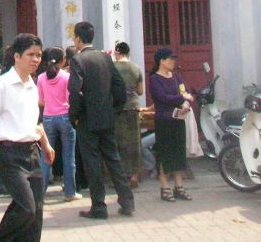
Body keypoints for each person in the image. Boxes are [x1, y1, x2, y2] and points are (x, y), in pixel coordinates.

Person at [0, 33, 54, 242]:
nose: (36, 60)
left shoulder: (32, 85)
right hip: (9, 154)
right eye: (30, 54)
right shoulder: (0, 85)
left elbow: (35, 122)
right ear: (17, 56)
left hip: (32, 153)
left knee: (36, 212)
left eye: (38, 55)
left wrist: (45, 145)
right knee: (26, 208)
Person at [68, 22, 135, 219]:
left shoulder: (78, 60)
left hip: (87, 120)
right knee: (114, 159)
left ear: (78, 39)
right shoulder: (106, 58)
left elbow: (75, 91)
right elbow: (119, 86)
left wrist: (75, 116)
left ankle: (99, 207)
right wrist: (115, 110)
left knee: (92, 164)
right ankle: (127, 202)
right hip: (106, 118)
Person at [149, 47, 194, 202]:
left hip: (178, 120)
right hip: (164, 120)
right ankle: (165, 187)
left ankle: (179, 186)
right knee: (164, 153)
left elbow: (186, 92)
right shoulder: (155, 79)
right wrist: (181, 98)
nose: (173, 62)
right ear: (161, 61)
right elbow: (162, 97)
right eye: (170, 59)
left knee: (178, 152)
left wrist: (187, 103)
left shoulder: (175, 77)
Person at [37, 46, 80, 201]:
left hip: (48, 118)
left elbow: (40, 101)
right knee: (69, 156)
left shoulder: (41, 78)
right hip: (65, 118)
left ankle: (40, 194)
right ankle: (70, 192)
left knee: (45, 156)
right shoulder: (66, 77)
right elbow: (70, 99)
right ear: (63, 61)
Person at [113, 41, 143, 188]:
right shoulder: (136, 68)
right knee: (134, 142)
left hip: (116, 108)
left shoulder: (112, 67)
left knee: (117, 142)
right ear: (128, 53)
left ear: (116, 52)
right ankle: (135, 175)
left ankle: (119, 176)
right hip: (133, 107)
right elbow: (141, 91)